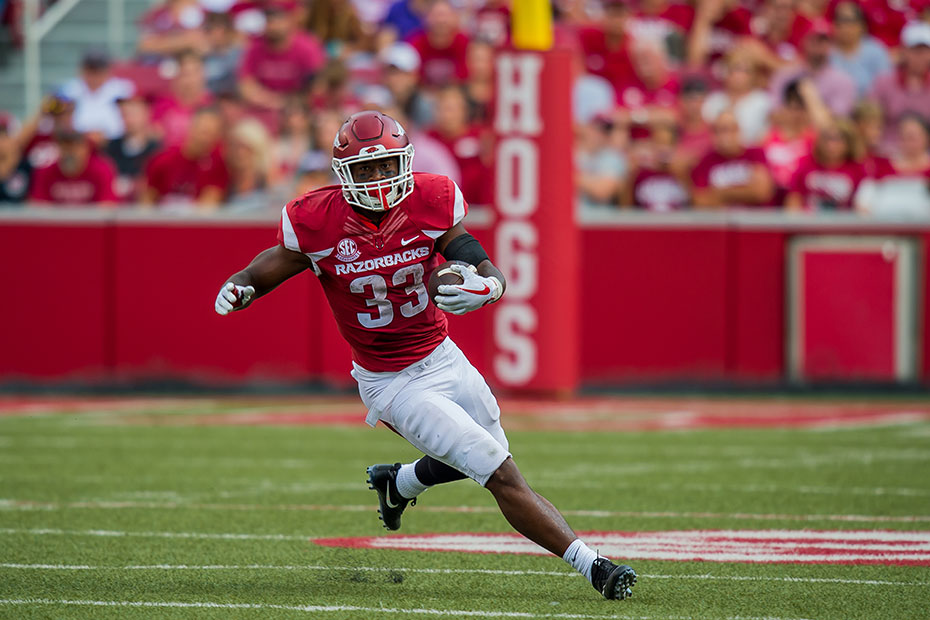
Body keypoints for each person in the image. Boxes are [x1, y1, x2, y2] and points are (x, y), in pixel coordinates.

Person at [213, 110, 638, 601]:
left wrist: (492, 284)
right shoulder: (315, 219)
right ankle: (595, 566)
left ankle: (400, 483)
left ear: (406, 162)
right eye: (366, 170)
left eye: (386, 165)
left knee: (481, 450)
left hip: (443, 354)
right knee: (497, 468)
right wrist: (242, 284)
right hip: (391, 380)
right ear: (342, 172)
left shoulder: (431, 197)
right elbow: (276, 262)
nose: (377, 179)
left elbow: (468, 250)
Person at [238, 0, 326, 113]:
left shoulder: (307, 47)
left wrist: (291, 103)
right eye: (269, 20)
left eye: (278, 18)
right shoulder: (255, 47)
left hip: (300, 109)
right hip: (263, 110)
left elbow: (319, 87)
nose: (273, 25)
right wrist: (273, 101)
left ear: (290, 20)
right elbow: (246, 86)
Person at [141, 105, 229, 208]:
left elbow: (209, 203)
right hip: (162, 218)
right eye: (202, 131)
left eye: (211, 133)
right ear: (191, 127)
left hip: (193, 222)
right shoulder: (164, 159)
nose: (204, 138)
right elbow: (147, 199)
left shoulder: (218, 166)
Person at [691, 109, 775, 208]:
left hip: (755, 220)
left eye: (729, 129)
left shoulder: (755, 154)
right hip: (720, 221)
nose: (725, 135)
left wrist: (721, 194)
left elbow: (762, 192)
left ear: (738, 130)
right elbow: (699, 201)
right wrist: (746, 190)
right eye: (718, 130)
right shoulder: (706, 160)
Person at [785, 120, 866, 211]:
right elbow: (794, 198)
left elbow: (862, 205)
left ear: (849, 143)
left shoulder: (857, 169)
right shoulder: (806, 163)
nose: (831, 145)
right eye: (828, 138)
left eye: (838, 140)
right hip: (809, 221)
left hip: (842, 222)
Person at [28, 126, 118, 205]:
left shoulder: (101, 170)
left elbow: (107, 207)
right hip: (56, 224)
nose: (70, 151)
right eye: (65, 145)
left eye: (76, 146)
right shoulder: (45, 172)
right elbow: (38, 208)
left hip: (91, 224)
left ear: (86, 148)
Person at [59, 48, 135, 140]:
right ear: (82, 70)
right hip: (78, 143)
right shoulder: (70, 89)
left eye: (98, 70)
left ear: (107, 70)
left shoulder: (122, 89)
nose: (94, 75)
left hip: (115, 143)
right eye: (91, 70)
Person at [105, 92, 162, 202]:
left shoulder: (157, 150)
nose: (128, 119)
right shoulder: (110, 148)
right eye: (124, 114)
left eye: (133, 113)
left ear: (147, 114)